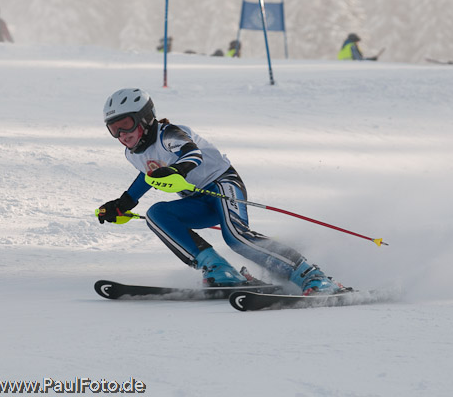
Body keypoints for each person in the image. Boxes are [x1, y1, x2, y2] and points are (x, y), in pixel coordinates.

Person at [97, 88, 350, 295]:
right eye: (114, 129)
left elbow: (191, 153)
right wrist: (124, 203)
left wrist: (179, 170)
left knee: (237, 238)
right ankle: (218, 269)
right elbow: (147, 175)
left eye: (126, 125)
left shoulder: (169, 134)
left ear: (145, 117)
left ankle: (311, 275)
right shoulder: (132, 153)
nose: (122, 135)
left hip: (222, 185)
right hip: (196, 201)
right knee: (157, 215)